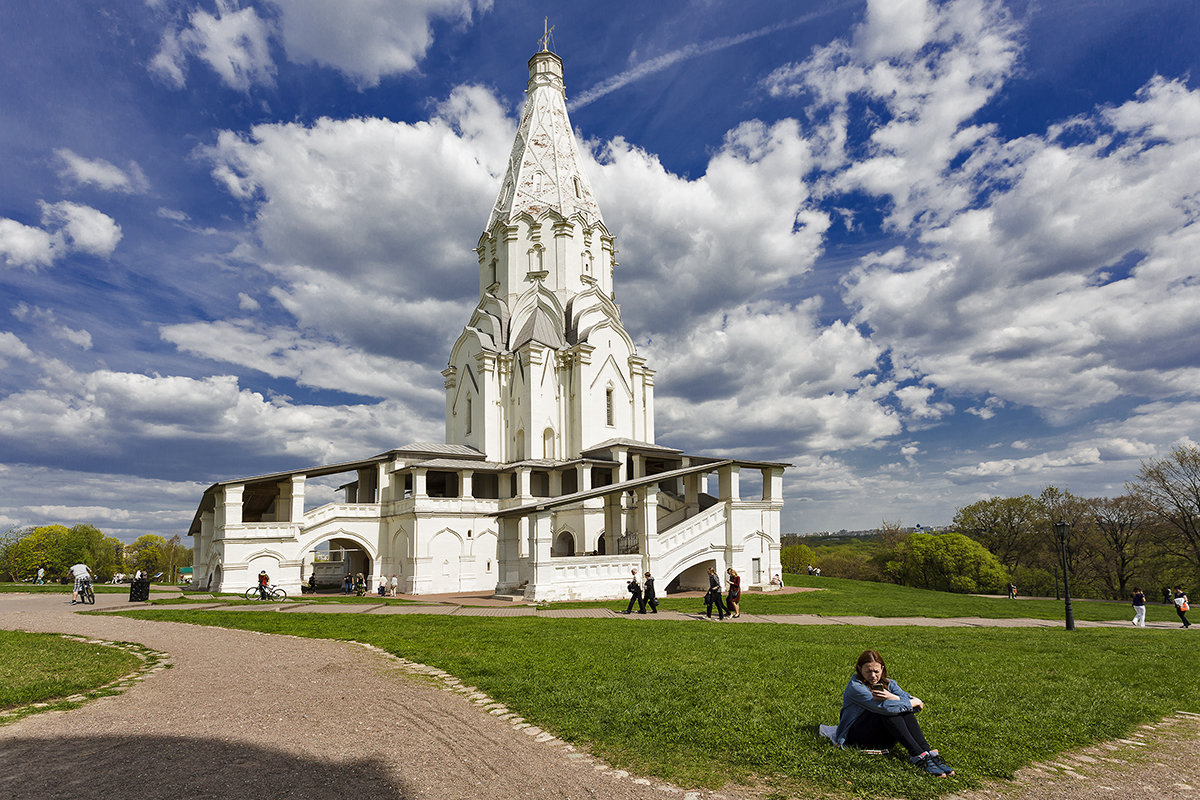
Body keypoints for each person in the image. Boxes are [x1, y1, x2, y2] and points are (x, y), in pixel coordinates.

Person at [834, 650, 955, 777]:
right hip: (857, 737)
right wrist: (909, 702)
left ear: (882, 668)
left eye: (876, 671)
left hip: (885, 738)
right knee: (889, 710)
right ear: (859, 669)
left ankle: (926, 752)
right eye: (868, 671)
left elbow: (914, 704)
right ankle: (917, 755)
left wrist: (893, 697)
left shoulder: (889, 684)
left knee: (901, 709)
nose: (873, 676)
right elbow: (891, 707)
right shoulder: (855, 687)